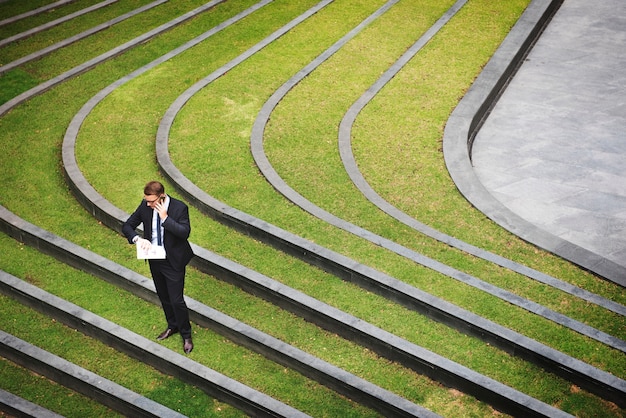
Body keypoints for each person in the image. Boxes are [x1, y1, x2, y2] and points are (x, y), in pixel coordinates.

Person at [122, 181, 195, 354]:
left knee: (176, 300)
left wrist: (165, 218)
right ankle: (173, 325)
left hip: (173, 261)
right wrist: (138, 239)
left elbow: (184, 232)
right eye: (146, 200)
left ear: (161, 196)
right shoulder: (145, 205)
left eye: (151, 201)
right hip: (155, 259)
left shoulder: (179, 208)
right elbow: (127, 225)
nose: (148, 204)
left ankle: (186, 335)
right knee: (163, 296)